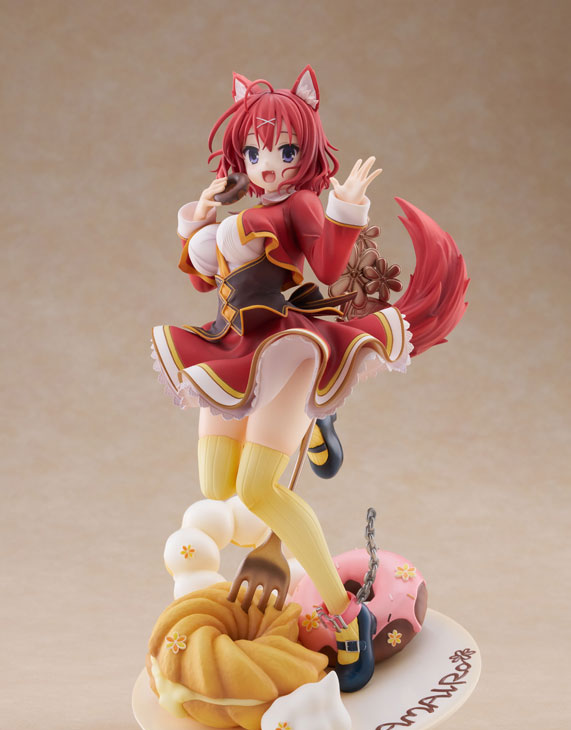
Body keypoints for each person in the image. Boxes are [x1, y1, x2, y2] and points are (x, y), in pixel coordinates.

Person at [152, 66, 467, 691]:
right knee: (216, 485)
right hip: (234, 346)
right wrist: (200, 219)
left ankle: (347, 615)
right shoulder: (241, 211)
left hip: (287, 350)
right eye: (255, 152)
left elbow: (325, 266)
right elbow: (203, 279)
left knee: (259, 490)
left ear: (307, 151)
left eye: (285, 151)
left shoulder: (298, 204)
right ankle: (317, 424)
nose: (268, 165)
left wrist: (344, 207)